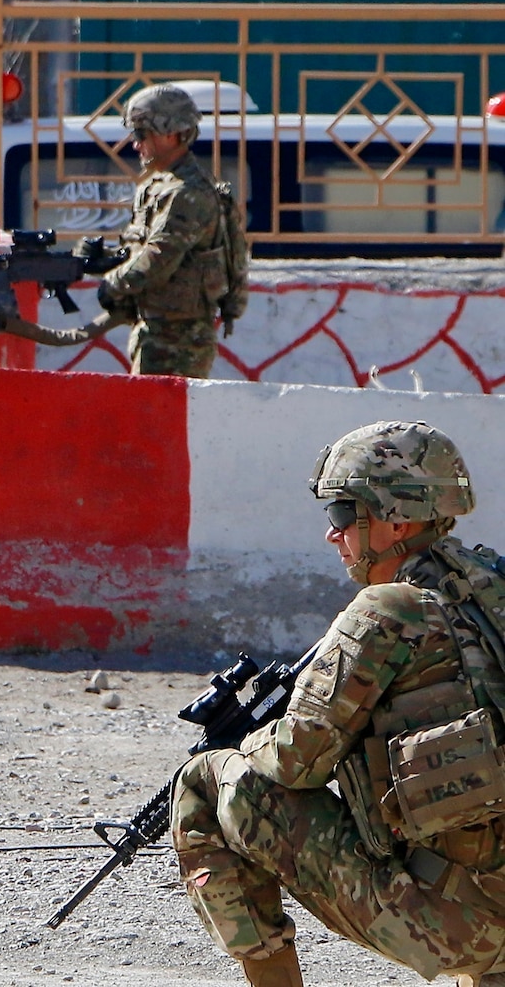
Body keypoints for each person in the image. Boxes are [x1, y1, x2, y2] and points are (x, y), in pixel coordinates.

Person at [171, 420, 505, 986]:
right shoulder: (492, 588)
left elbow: (296, 762)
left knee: (206, 782)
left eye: (345, 514)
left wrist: (246, 743)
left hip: (466, 924)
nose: (334, 534)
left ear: (395, 518)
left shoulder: (388, 610)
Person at [84, 82, 249, 377]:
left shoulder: (187, 193)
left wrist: (114, 283)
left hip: (178, 342)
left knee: (155, 421)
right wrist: (107, 259)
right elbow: (144, 249)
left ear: (171, 134)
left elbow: (159, 258)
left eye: (140, 134)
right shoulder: (158, 185)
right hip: (156, 332)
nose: (135, 145)